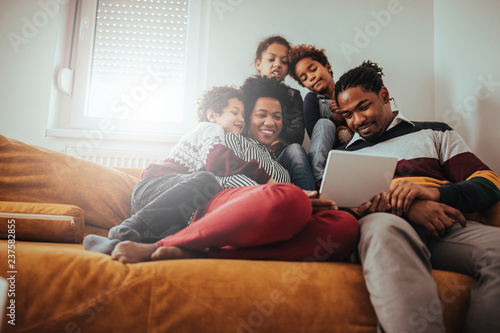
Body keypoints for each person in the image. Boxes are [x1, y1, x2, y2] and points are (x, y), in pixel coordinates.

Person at [109, 76, 381, 264]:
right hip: (213, 206)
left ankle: (203, 251)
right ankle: (164, 245)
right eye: (260, 114)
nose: (270, 122)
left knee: (345, 227)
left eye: (277, 117)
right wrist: (275, 188)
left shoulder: (282, 160)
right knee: (292, 198)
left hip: (269, 214)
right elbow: (215, 166)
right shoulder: (224, 135)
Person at [334, 60, 500, 332]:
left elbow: (489, 181)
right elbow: (340, 216)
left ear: (384, 96)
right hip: (385, 227)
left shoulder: (434, 132)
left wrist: (435, 194)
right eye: (348, 114)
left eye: (363, 106)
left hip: (444, 226)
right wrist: (405, 208)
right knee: (384, 232)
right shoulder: (342, 157)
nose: (357, 120)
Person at [84, 86, 274, 254]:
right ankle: (125, 228)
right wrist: (262, 177)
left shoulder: (225, 138)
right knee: (207, 181)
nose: (241, 118)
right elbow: (216, 160)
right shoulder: (210, 129)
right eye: (235, 112)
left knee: (184, 236)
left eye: (243, 114)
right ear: (212, 115)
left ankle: (116, 244)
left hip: (164, 210)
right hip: (152, 189)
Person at [254, 35, 316, 190]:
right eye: (271, 59)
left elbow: (296, 136)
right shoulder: (246, 94)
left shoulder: (292, 96)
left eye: (284, 61)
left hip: (279, 157)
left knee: (295, 150)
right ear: (258, 63)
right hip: (252, 157)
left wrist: (271, 124)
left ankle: (311, 203)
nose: (277, 65)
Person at [288, 44, 353, 188]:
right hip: (329, 152)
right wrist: (335, 118)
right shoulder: (312, 99)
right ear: (304, 85)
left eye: (313, 69)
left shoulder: (349, 91)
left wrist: (346, 111)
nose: (311, 77)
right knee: (324, 124)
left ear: (327, 67)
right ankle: (319, 179)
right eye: (304, 78)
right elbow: (314, 133)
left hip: (354, 147)